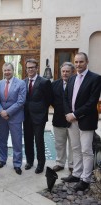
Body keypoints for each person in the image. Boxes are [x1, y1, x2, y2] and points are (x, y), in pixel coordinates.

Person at [61, 52, 101, 191]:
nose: (78, 65)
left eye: (81, 62)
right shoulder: (71, 79)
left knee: (86, 151)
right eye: (76, 62)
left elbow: (92, 102)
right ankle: (77, 174)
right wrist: (68, 114)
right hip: (72, 121)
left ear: (87, 62)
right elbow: (65, 98)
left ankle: (85, 179)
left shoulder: (95, 78)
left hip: (86, 121)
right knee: (75, 148)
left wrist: (75, 114)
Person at [23, 58, 52, 174]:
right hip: (26, 116)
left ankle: (41, 164)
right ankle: (29, 161)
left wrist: (42, 112)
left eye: (32, 67)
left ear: (36, 68)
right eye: (28, 67)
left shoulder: (44, 82)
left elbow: (49, 99)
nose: (30, 69)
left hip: (39, 117)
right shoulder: (23, 82)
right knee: (27, 139)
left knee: (39, 141)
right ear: (26, 69)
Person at [0, 63, 26, 175]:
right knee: (1, 139)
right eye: (5, 70)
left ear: (13, 70)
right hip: (2, 117)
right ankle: (2, 159)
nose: (7, 72)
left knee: (17, 141)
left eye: (9, 70)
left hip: (15, 116)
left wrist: (7, 112)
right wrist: (1, 111)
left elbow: (21, 101)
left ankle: (17, 164)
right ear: (3, 71)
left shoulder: (21, 83)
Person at [51, 62, 74, 173]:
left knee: (73, 144)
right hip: (58, 119)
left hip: (74, 120)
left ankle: (72, 165)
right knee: (59, 144)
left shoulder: (76, 83)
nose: (65, 73)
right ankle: (60, 163)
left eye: (67, 71)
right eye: (63, 71)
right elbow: (51, 100)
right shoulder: (54, 84)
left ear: (72, 72)